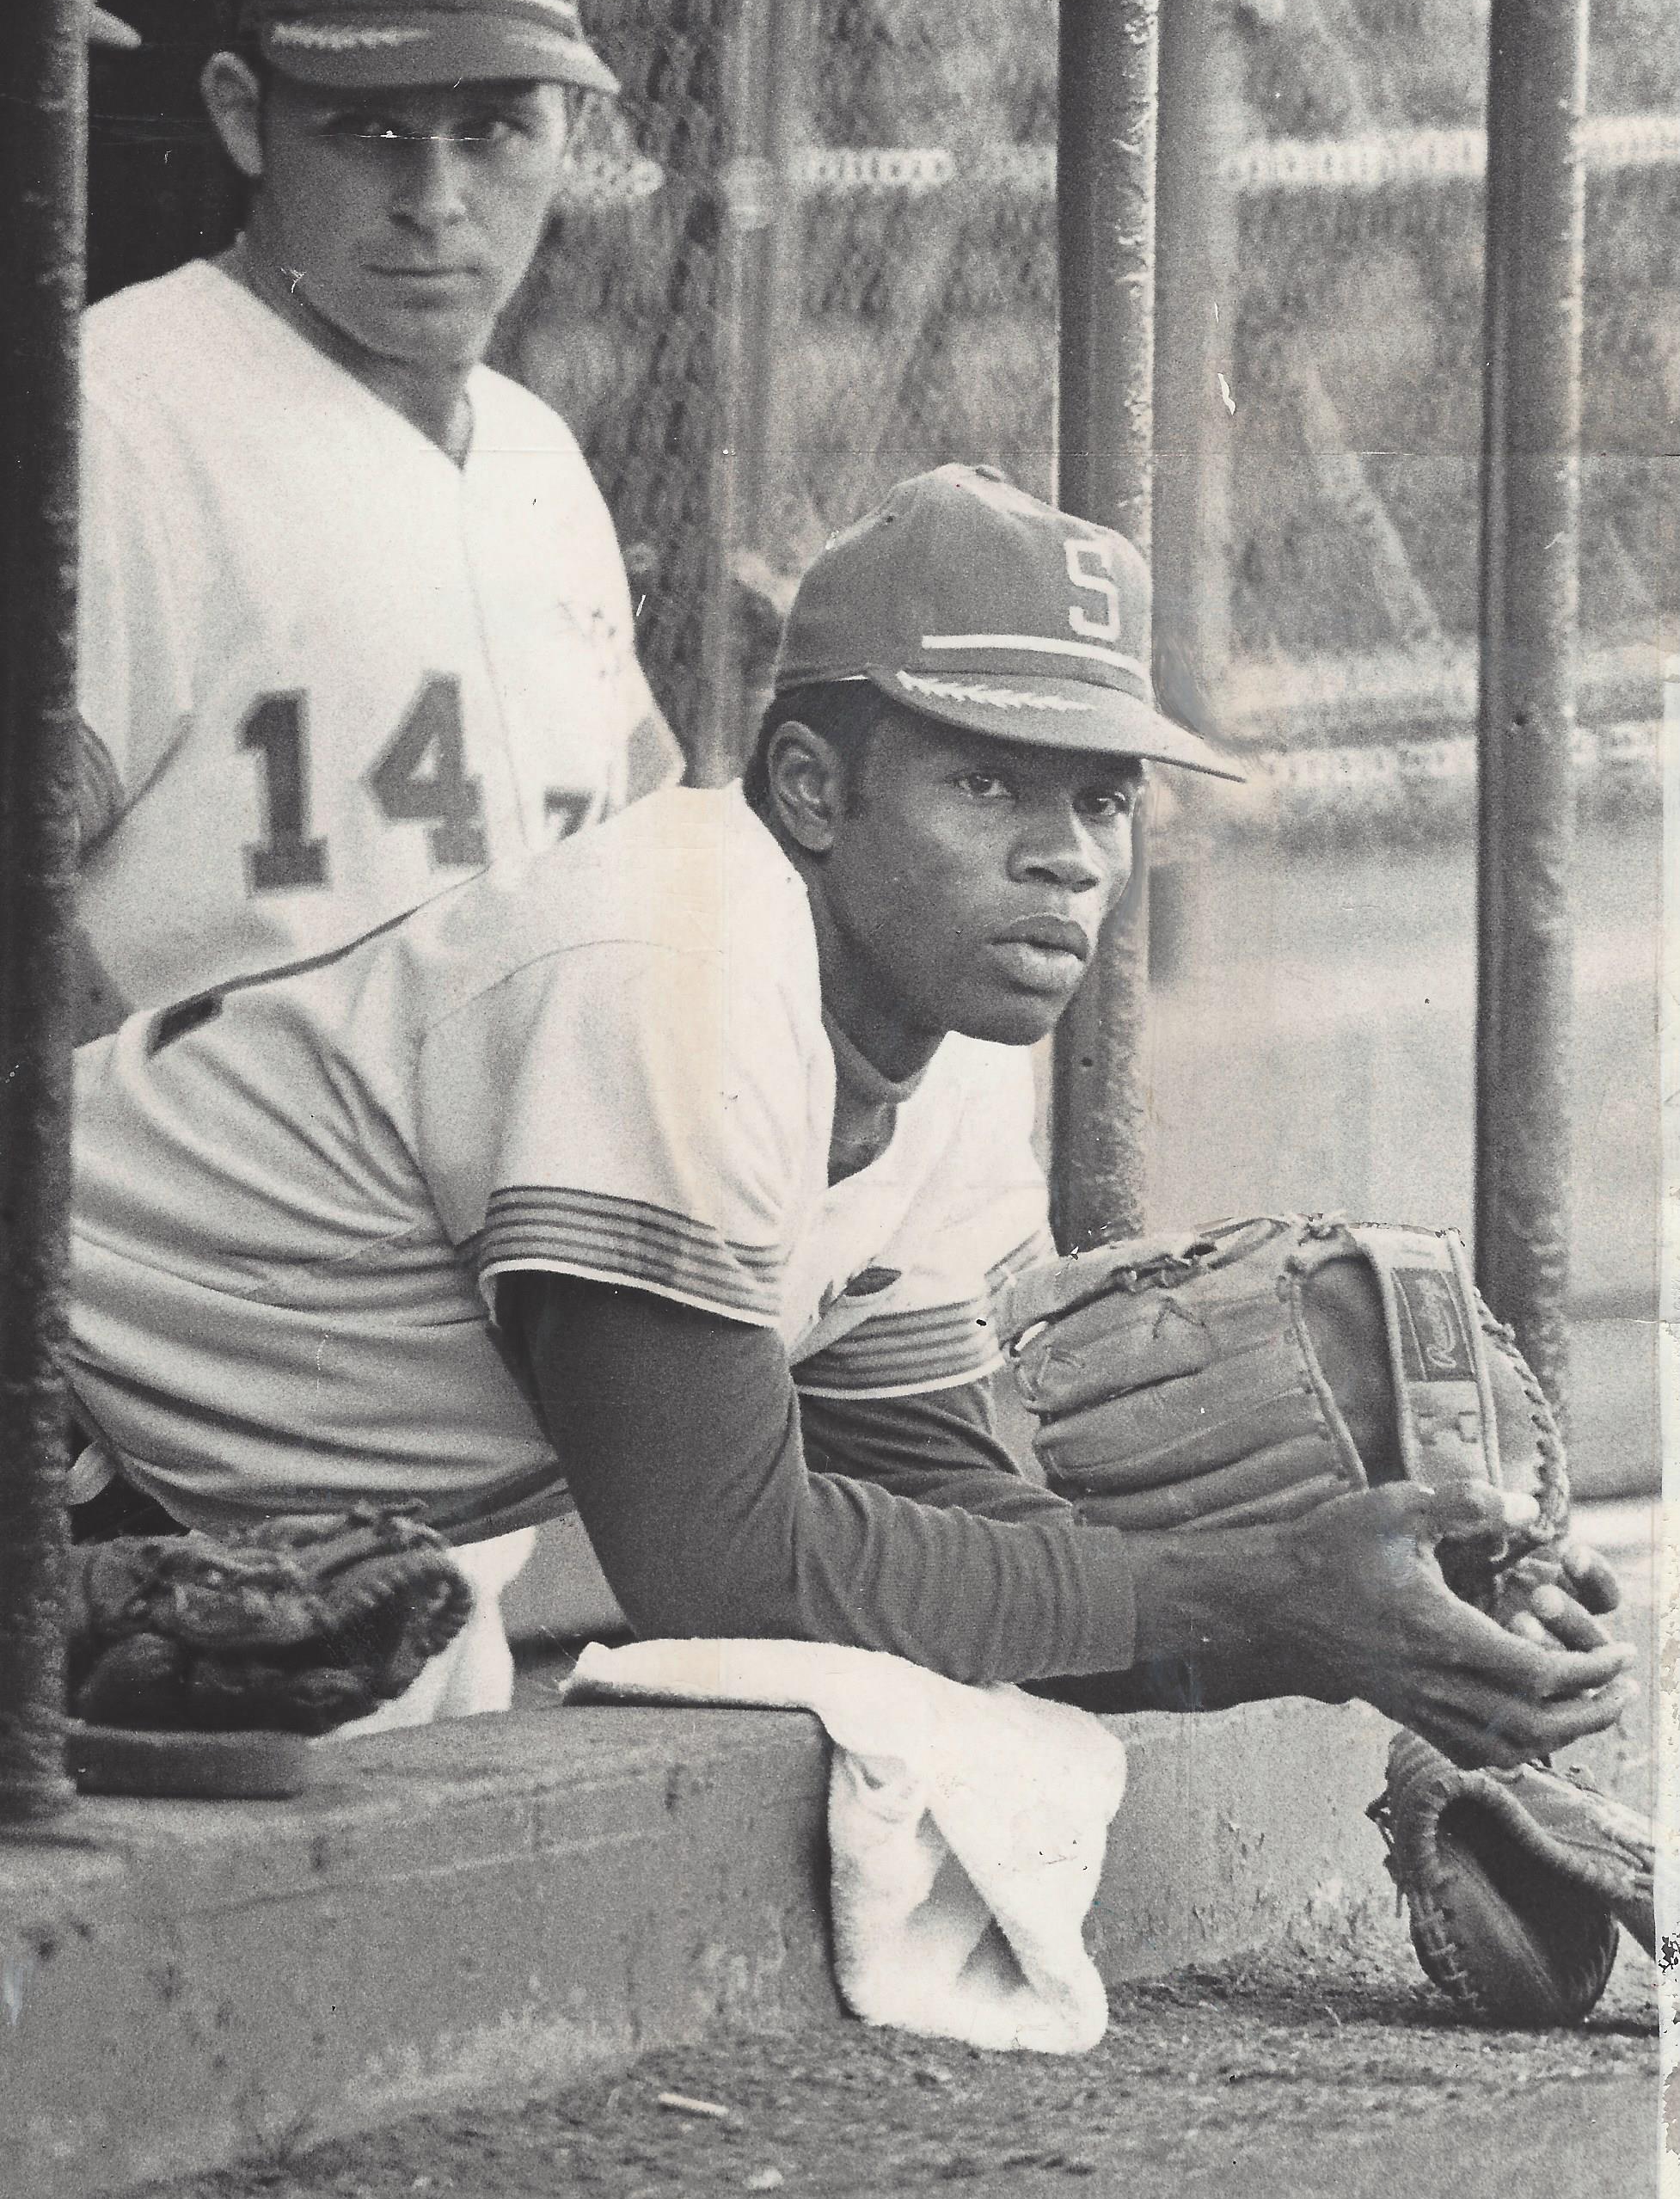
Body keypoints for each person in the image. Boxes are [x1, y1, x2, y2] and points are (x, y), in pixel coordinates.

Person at [63, 466, 1632, 1765]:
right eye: (987, 784)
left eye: (1099, 798)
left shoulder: (943, 1050)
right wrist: (1255, 1596)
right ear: (813, 787)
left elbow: (929, 1500)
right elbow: (725, 1574)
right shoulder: (678, 959)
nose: (1066, 857)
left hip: (157, 1506)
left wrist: (1373, 1610)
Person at [72, 0, 680, 1027]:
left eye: (491, 129)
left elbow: (650, 830)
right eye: (367, 127)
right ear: (243, 117)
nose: (435, 199)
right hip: (201, 1138)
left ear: (571, 134)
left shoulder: (536, 449)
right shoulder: (114, 416)